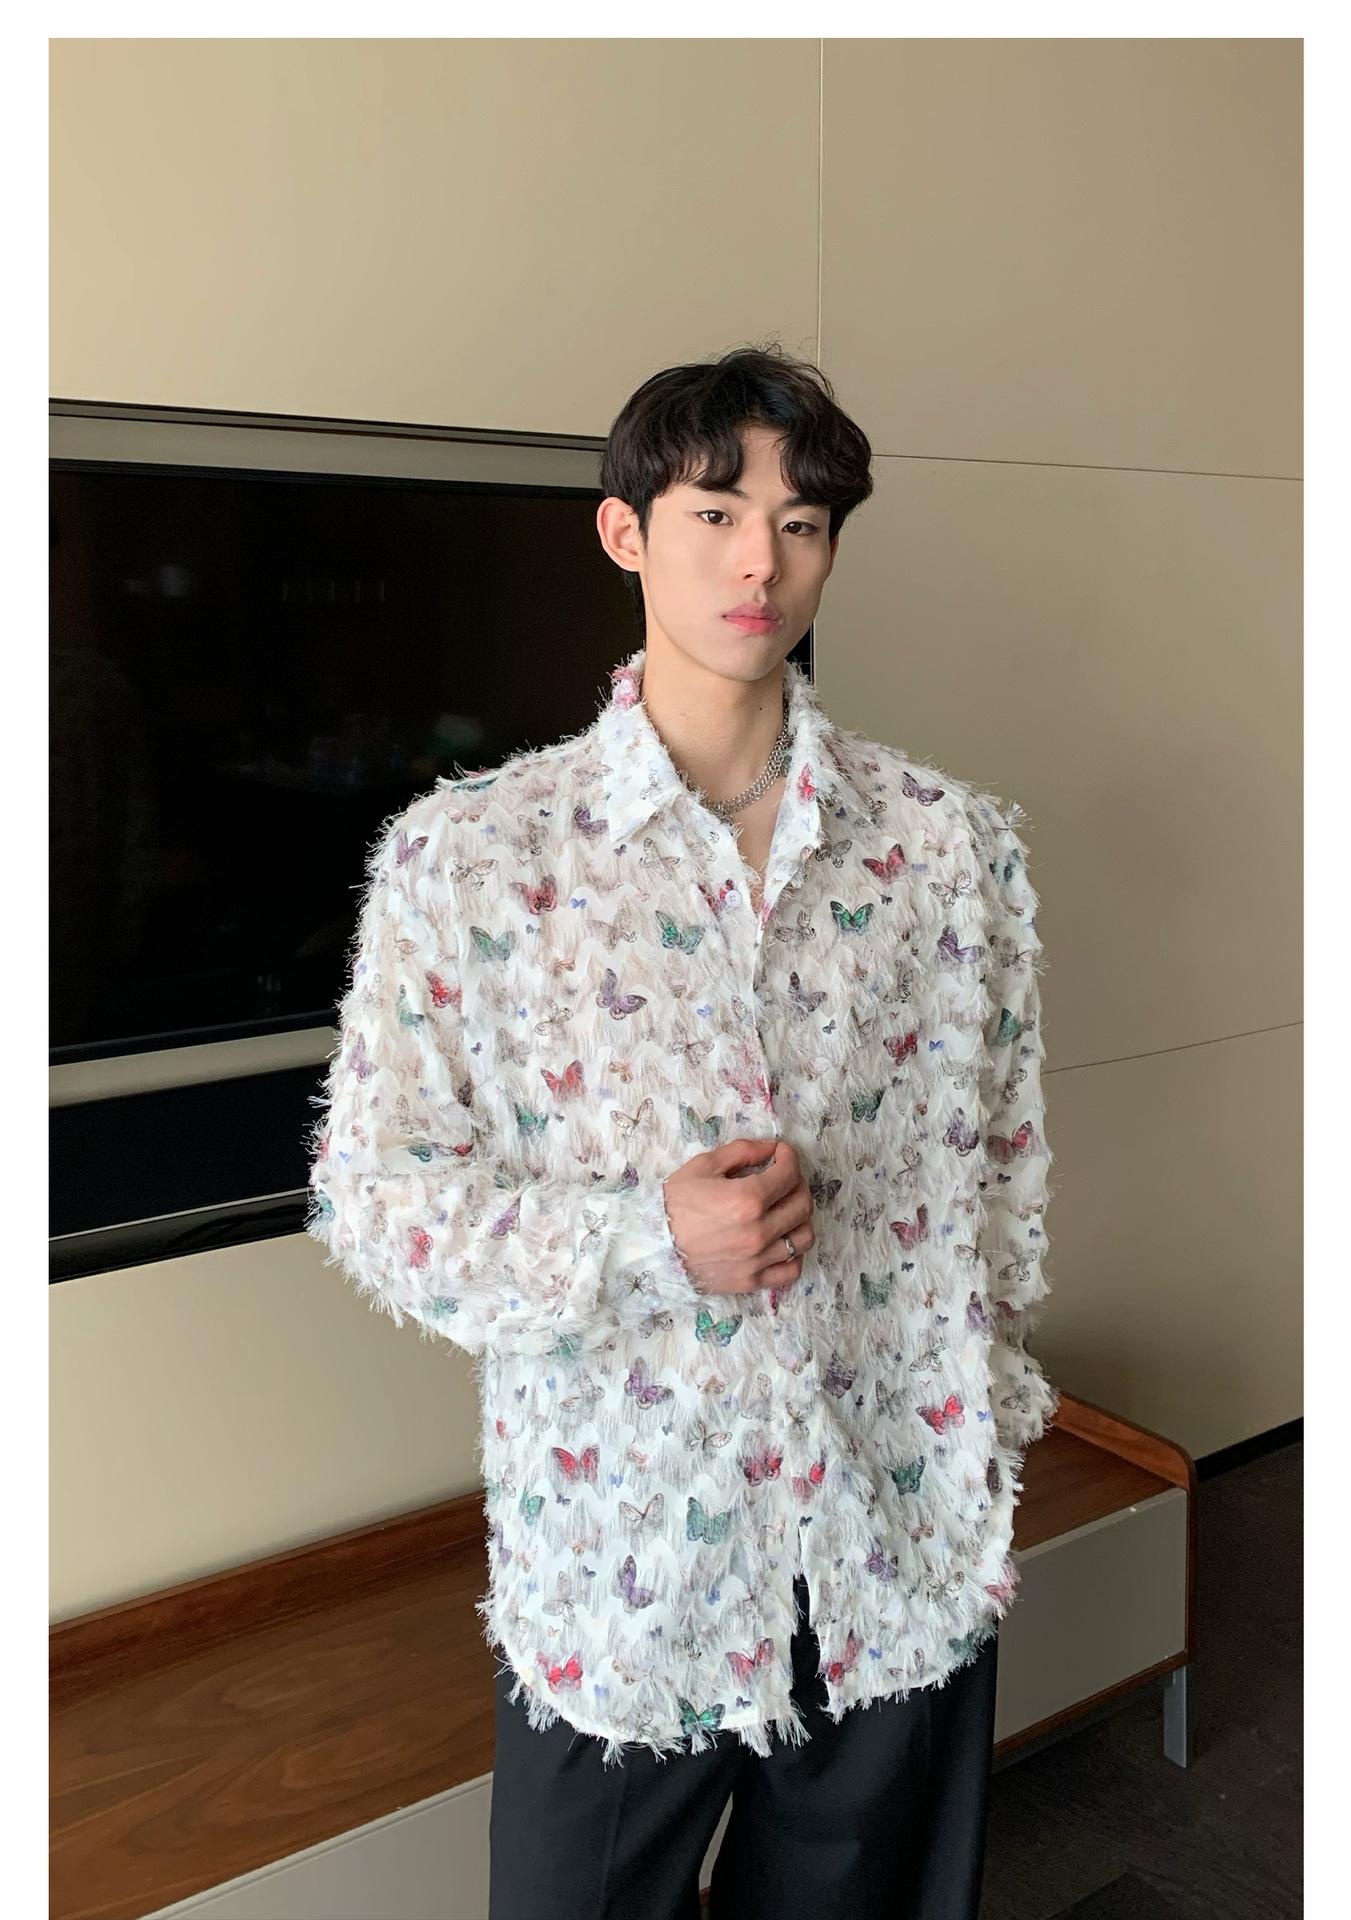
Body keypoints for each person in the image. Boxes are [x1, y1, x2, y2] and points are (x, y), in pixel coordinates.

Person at [306, 344, 1058, 1920]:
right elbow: (379, 1196)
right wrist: (647, 1235)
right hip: (623, 1561)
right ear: (625, 531)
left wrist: (979, 1426)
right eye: (715, 512)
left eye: (801, 523)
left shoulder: (948, 851)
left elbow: (995, 1171)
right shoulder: (473, 861)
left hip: (889, 1531)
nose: (757, 562)